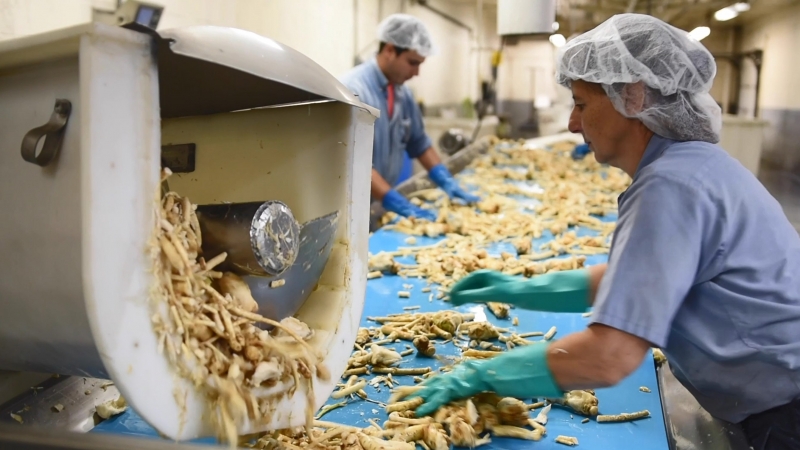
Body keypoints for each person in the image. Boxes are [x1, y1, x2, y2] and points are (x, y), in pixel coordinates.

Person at [410, 14, 800, 450]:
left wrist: (482, 373)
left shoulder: (670, 186)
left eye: (580, 104)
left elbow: (609, 356)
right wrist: (519, 288)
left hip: (785, 414)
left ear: (631, 96)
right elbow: (637, 280)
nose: (573, 125)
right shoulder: (687, 167)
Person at [340, 14, 478, 221]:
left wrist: (445, 180)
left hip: (378, 202)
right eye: (412, 63)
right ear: (389, 50)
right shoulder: (354, 90)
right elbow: (351, 161)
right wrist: (395, 201)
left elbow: (419, 142)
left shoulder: (403, 94)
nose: (417, 72)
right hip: (350, 204)